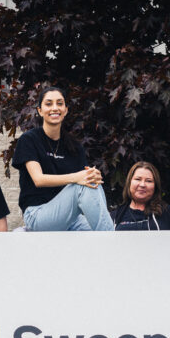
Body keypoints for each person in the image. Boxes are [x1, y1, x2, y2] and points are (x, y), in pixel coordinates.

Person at [12, 86, 115, 231]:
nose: (55, 108)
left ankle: (109, 237)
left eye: (59, 103)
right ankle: (111, 243)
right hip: (37, 215)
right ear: (40, 111)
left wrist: (92, 175)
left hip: (71, 219)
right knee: (81, 185)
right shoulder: (29, 139)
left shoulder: (74, 146)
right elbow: (38, 179)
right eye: (48, 104)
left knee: (91, 182)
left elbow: (85, 181)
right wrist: (78, 177)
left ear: (66, 110)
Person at [111, 161, 170, 231]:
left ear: (155, 186)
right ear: (129, 183)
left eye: (148, 181)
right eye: (138, 179)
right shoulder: (115, 216)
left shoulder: (169, 213)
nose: (142, 185)